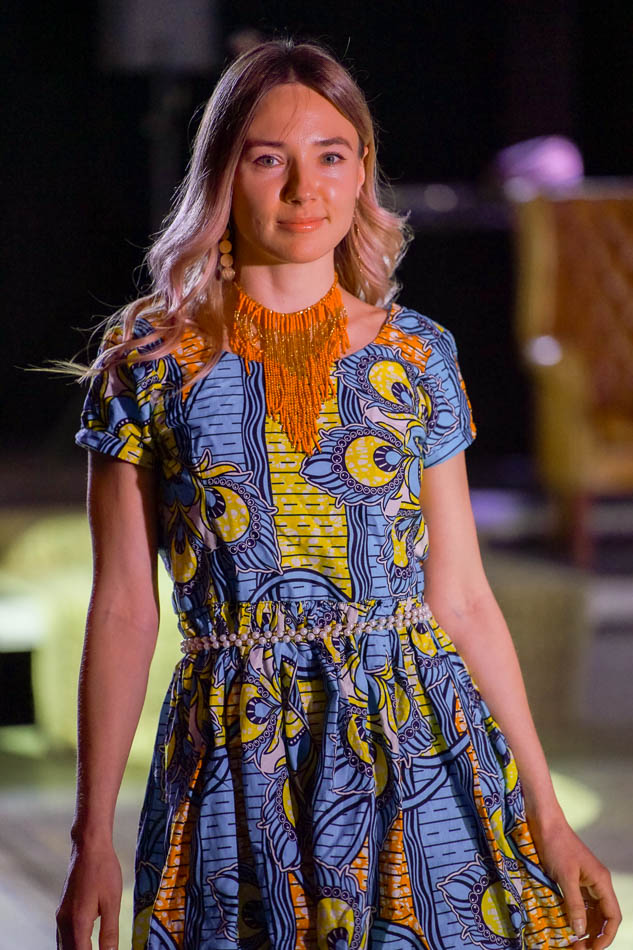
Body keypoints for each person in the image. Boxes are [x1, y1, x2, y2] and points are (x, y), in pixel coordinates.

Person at [56, 38, 621, 950]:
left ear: (361, 172)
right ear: (222, 176)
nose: (301, 189)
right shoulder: (148, 364)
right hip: (235, 759)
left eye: (330, 155)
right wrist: (91, 842)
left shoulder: (416, 354)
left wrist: (546, 814)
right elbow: (123, 606)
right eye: (266, 159)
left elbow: (462, 598)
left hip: (417, 744)